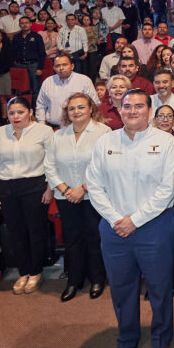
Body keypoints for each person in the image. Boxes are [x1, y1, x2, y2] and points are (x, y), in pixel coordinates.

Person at [86, 89, 174, 348]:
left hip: (155, 226)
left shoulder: (166, 143)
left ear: (149, 111)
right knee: (121, 287)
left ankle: (161, 340)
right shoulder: (106, 142)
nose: (132, 111)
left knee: (159, 287)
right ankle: (126, 339)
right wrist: (117, 219)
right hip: (114, 228)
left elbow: (167, 189)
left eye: (139, 106)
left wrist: (135, 220)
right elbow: (94, 185)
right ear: (119, 109)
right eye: (127, 106)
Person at [46, 93, 111, 302]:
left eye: (81, 107)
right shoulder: (58, 135)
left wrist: (82, 188)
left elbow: (105, 166)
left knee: (94, 237)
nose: (76, 112)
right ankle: (74, 280)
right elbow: (49, 166)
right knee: (72, 239)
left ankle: (97, 279)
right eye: (72, 108)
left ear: (91, 108)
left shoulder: (104, 132)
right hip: (65, 197)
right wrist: (66, 190)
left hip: (93, 195)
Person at [0, 95, 53, 295]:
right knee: (15, 231)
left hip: (35, 185)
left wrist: (50, 188)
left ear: (30, 112)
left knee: (35, 230)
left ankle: (35, 271)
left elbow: (51, 160)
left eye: (20, 112)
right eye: (12, 113)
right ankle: (23, 271)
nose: (16, 116)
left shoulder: (44, 131)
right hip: (6, 187)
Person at [36, 54, 99, 128]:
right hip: (52, 127)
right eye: (57, 66)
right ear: (54, 68)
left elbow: (95, 104)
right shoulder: (48, 82)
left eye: (64, 65)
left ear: (72, 66)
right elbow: (40, 105)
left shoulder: (84, 81)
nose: (61, 68)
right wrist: (42, 125)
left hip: (78, 127)